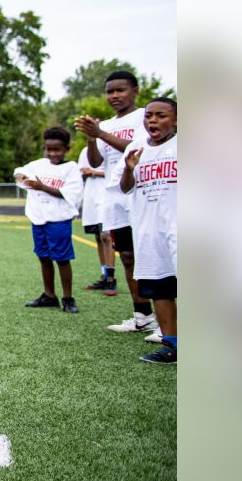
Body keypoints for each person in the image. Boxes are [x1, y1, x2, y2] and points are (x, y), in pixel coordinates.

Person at [74, 71, 152, 333]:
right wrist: (92, 138)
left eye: (121, 90)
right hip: (114, 196)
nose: (114, 96)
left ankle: (169, 321)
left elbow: (139, 149)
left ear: (135, 91)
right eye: (110, 91)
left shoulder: (145, 116)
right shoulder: (105, 125)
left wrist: (100, 133)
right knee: (127, 256)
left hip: (142, 192)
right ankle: (142, 315)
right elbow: (96, 162)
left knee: (153, 255)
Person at [118, 98, 178, 364]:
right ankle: (172, 345)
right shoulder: (136, 148)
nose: (152, 120)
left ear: (176, 120)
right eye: (149, 116)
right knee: (159, 287)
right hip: (148, 230)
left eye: (161, 115)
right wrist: (129, 170)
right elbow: (125, 187)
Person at [14, 127, 84, 313]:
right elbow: (20, 172)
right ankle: (49, 295)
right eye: (48, 149)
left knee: (61, 259)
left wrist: (41, 186)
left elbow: (69, 194)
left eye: (57, 149)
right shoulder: (38, 165)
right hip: (39, 219)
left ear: (66, 149)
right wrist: (21, 176)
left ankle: (68, 298)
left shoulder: (71, 168)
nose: (52, 153)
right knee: (43, 257)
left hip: (59, 220)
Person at [78, 150, 118, 295]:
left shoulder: (110, 147)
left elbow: (117, 172)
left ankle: (111, 279)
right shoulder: (85, 151)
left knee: (106, 236)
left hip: (106, 194)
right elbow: (81, 171)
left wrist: (95, 172)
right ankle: (104, 274)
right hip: (91, 194)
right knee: (97, 237)